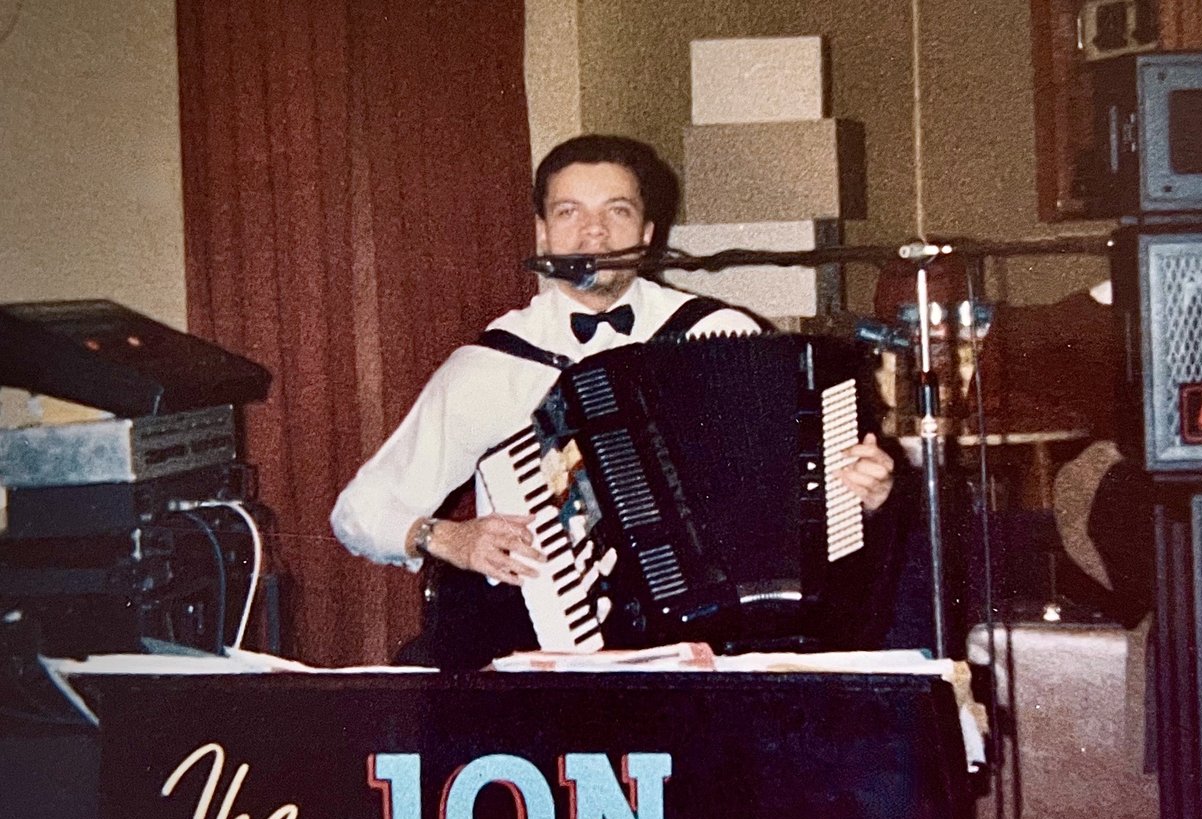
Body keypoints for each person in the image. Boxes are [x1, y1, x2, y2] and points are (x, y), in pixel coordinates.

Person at [331, 135, 895, 658]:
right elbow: (358, 511)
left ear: (648, 233)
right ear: (543, 233)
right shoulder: (491, 365)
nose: (594, 233)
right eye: (569, 212)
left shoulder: (720, 331)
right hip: (547, 647)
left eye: (617, 211)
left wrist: (864, 495)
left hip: (722, 647)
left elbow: (795, 503)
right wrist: (448, 537)